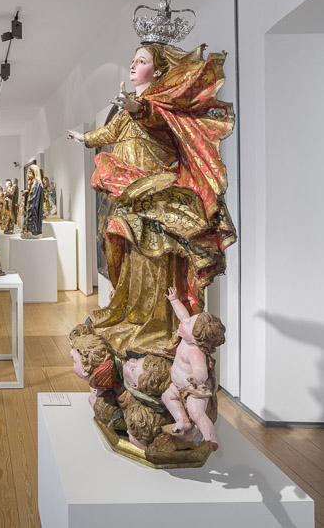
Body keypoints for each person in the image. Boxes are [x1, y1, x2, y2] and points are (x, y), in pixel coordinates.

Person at [68, 41, 236, 358]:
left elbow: (151, 117)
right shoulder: (125, 111)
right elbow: (109, 134)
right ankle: (131, 312)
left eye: (141, 61)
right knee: (129, 255)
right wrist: (84, 138)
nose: (133, 65)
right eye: (133, 60)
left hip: (155, 196)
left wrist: (135, 106)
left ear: (157, 71)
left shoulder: (158, 105)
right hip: (131, 195)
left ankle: (155, 321)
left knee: (154, 260)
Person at [160, 286, 225, 450]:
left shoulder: (195, 352)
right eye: (192, 319)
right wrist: (174, 300)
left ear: (197, 340)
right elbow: (183, 316)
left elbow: (201, 371)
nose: (186, 321)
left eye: (189, 323)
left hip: (193, 389)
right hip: (177, 386)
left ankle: (211, 438)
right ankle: (182, 421)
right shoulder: (188, 337)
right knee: (167, 397)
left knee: (196, 412)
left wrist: (195, 377)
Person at [20, 164, 44, 238]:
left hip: (33, 204)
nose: (28, 174)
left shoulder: (37, 183)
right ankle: (27, 230)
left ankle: (32, 231)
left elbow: (34, 195)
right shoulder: (32, 182)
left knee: (32, 216)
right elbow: (30, 192)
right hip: (30, 204)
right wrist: (26, 192)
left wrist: (28, 194)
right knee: (27, 215)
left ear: (34, 173)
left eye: (30, 172)